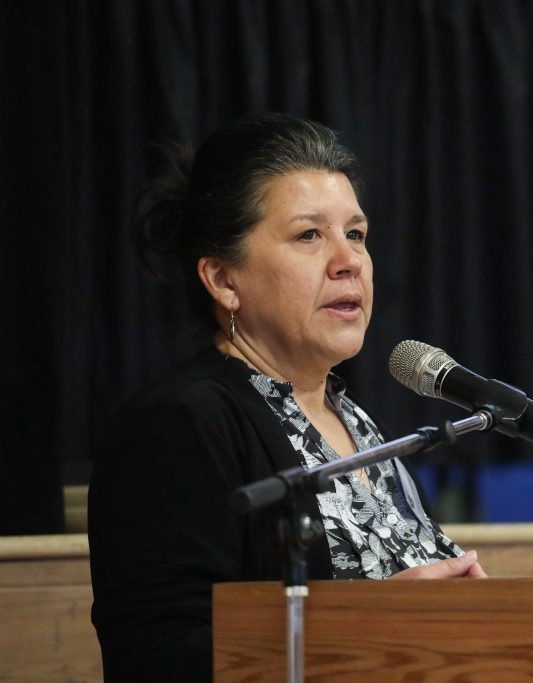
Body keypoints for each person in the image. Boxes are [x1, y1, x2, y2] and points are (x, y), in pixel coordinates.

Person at [88, 113, 486, 683]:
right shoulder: (180, 423)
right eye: (309, 235)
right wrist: (368, 622)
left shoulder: (357, 422)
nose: (348, 260)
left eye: (356, 234)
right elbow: (157, 655)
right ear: (223, 279)